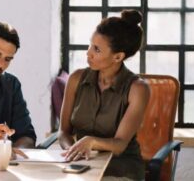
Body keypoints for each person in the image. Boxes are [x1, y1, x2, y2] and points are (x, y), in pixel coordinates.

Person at [58, 9, 150, 180]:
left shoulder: (138, 89)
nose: (88, 53)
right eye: (90, 45)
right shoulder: (76, 79)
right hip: (83, 167)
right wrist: (73, 153)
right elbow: (64, 131)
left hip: (121, 169)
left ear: (118, 57)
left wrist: (91, 142)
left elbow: (120, 145)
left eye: (97, 49)